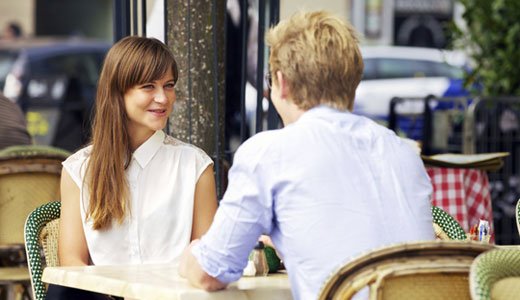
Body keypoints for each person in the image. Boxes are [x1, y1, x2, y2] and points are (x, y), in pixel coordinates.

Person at [179, 10, 434, 300]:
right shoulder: (403, 152)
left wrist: (189, 255)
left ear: (282, 82)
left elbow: (209, 272)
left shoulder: (269, 153)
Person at [51, 36, 218, 299]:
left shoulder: (194, 166)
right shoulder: (78, 169)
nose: (163, 98)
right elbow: (72, 265)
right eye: (148, 86)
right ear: (118, 92)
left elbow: (207, 259)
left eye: (169, 85)